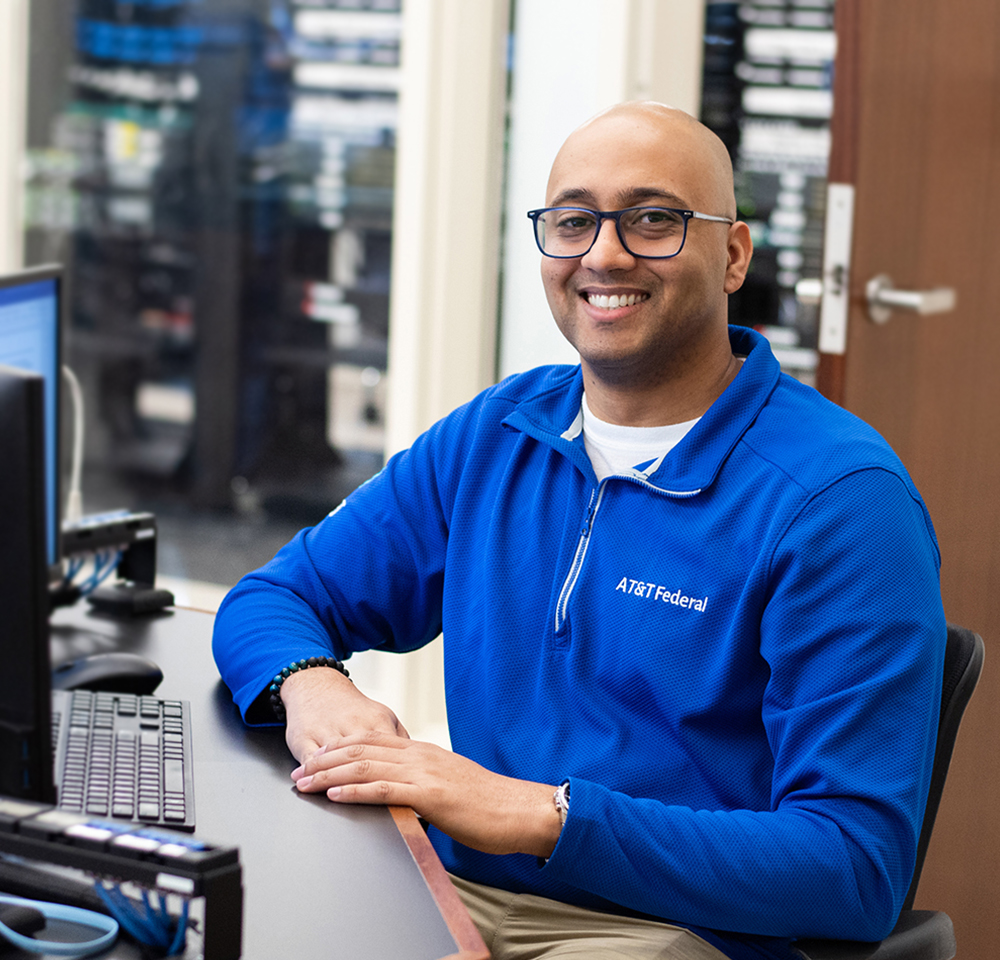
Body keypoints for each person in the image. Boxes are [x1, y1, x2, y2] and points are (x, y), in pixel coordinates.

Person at [213, 102, 946, 960]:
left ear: (734, 256)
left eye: (653, 220)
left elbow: (854, 866)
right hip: (455, 882)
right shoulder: (499, 434)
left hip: (671, 928)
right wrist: (316, 690)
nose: (603, 254)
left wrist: (542, 815)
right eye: (572, 222)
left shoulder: (840, 503)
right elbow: (276, 598)